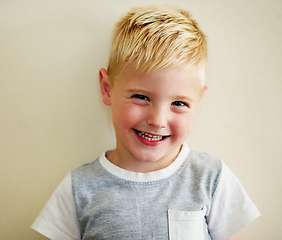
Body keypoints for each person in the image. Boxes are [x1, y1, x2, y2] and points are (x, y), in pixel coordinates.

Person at [31, 5, 261, 239]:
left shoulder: (211, 179)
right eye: (141, 97)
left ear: (198, 101)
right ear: (107, 89)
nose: (157, 121)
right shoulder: (78, 190)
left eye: (179, 103)